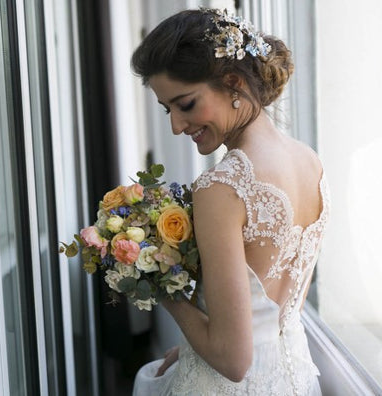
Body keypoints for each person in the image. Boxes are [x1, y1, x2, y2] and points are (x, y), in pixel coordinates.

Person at [130, 8, 328, 395]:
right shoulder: (310, 162)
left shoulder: (222, 186)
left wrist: (158, 287)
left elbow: (233, 361)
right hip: (295, 381)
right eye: (167, 108)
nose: (175, 125)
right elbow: (280, 313)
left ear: (234, 84)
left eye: (184, 104)